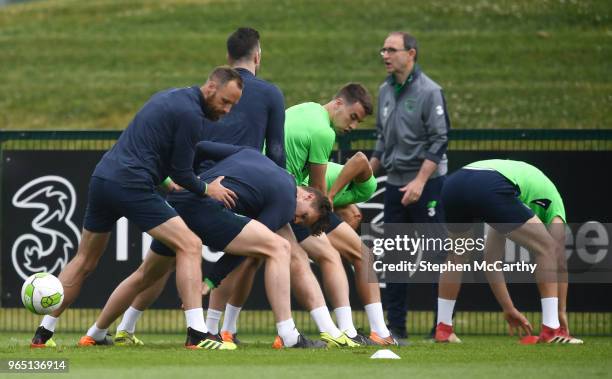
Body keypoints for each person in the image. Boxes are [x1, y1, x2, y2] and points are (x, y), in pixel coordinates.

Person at [30, 67, 243, 349]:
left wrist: (166, 183)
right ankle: (197, 334)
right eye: (225, 101)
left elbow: (149, 148)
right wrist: (207, 189)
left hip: (104, 177)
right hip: (131, 185)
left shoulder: (169, 98)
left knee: (84, 260)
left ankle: (43, 335)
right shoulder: (191, 115)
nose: (227, 110)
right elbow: (182, 171)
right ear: (211, 88)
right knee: (190, 244)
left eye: (232, 105)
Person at [79, 142, 331, 349]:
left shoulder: (251, 153)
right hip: (204, 208)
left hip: (182, 201)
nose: (295, 220)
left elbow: (198, 148)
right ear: (307, 195)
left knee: (145, 274)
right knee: (279, 248)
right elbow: (253, 246)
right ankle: (288, 335)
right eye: (304, 217)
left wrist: (187, 179)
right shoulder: (286, 198)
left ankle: (95, 333)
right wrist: (212, 280)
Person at [210, 152, 401, 345]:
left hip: (275, 193)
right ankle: (346, 331)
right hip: (289, 196)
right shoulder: (360, 190)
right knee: (328, 255)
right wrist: (332, 195)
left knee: (252, 258)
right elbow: (360, 158)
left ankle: (226, 330)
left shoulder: (323, 201)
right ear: (357, 215)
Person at [435, 159, 583, 344]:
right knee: (548, 247)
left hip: (455, 183)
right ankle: (552, 330)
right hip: (489, 183)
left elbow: (491, 261)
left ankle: (443, 329)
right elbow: (558, 259)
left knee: (457, 254)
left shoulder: (511, 203)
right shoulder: (554, 208)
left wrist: (508, 308)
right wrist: (561, 312)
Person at [369, 31, 450, 339]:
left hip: (427, 184)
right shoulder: (384, 91)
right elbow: (381, 140)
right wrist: (368, 171)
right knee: (394, 256)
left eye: (392, 50)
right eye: (383, 50)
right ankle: (397, 328)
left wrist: (420, 181)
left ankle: (441, 328)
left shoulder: (430, 91)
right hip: (394, 183)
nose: (385, 55)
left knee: (436, 253)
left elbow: (440, 139)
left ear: (411, 53)